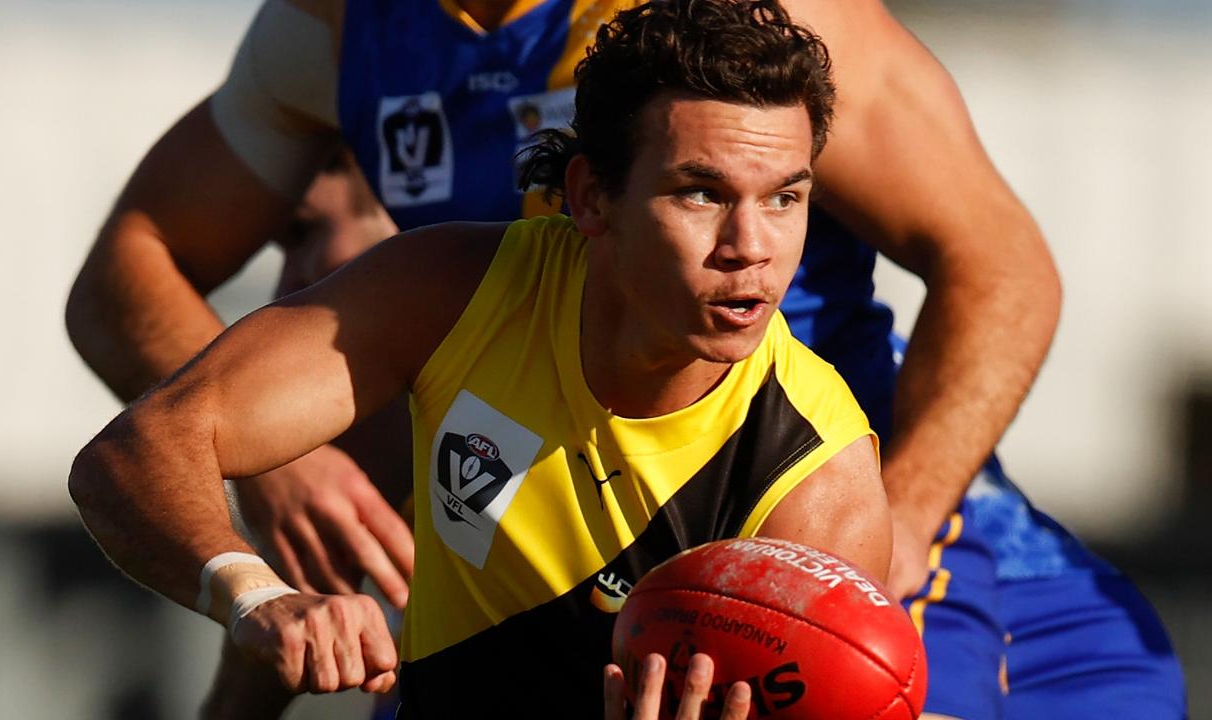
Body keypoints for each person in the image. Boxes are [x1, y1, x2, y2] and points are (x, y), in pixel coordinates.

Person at [65, 0, 1188, 718]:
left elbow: (1002, 266)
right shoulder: (341, 37)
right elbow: (127, 275)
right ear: (590, 196)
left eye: (776, 199)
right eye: (700, 192)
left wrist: (890, 533)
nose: (747, 241)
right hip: (556, 543)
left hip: (839, 538)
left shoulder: (760, 25)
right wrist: (272, 464)